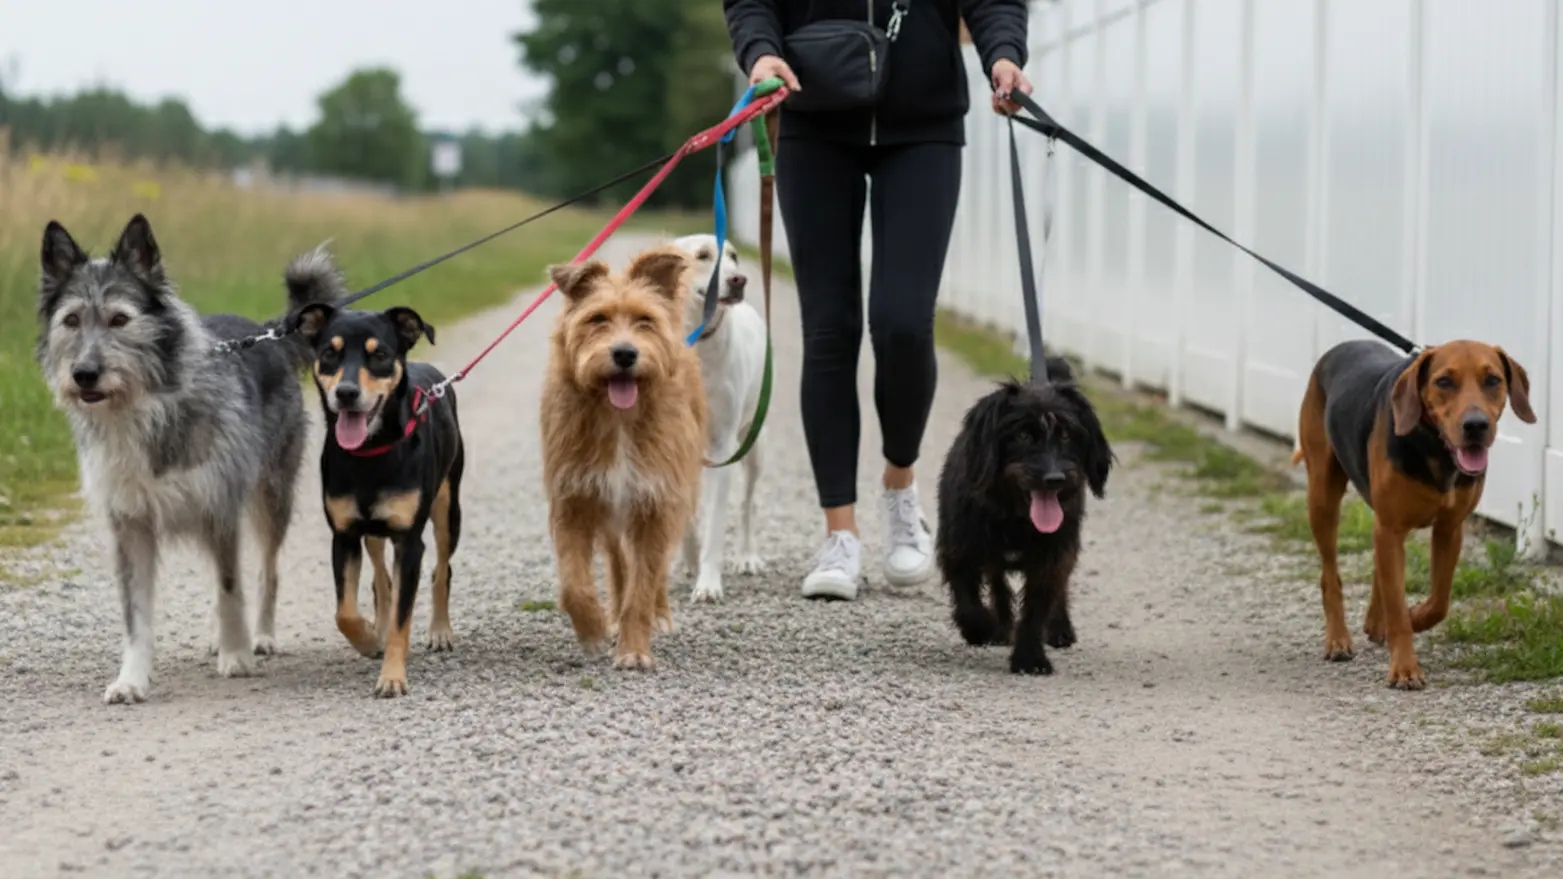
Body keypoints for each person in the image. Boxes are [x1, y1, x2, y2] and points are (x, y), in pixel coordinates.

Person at [722, 0, 1033, 600]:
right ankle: (839, 534)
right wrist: (760, 53)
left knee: (902, 323)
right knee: (829, 331)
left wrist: (1003, 57)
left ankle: (900, 488)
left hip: (923, 124)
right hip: (813, 118)